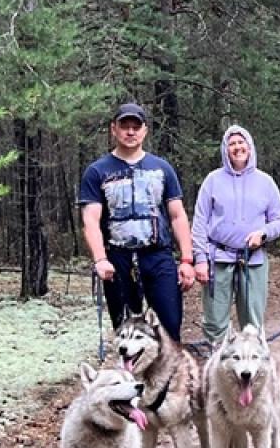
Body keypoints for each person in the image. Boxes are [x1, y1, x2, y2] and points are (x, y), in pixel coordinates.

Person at [78, 100, 197, 345]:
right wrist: (100, 259)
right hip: (117, 258)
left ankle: (170, 382)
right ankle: (131, 380)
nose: (130, 132)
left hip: (157, 256)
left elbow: (177, 215)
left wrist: (186, 260)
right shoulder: (97, 171)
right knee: (125, 333)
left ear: (145, 130)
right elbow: (90, 219)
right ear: (114, 129)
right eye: (125, 126)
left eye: (136, 126)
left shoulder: (162, 168)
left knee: (169, 328)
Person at [191, 124, 280, 350]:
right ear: (225, 149)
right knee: (215, 323)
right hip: (218, 259)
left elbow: (279, 219)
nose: (237, 148)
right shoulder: (212, 180)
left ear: (250, 146)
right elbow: (200, 221)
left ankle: (252, 370)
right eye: (232, 144)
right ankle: (217, 368)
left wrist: (263, 234)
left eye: (241, 142)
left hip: (252, 260)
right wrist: (201, 259)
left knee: (252, 324)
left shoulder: (265, 182)